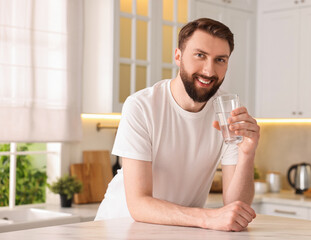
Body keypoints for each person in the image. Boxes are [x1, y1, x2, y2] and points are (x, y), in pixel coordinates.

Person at [95, 18, 260, 232]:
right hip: (121, 228)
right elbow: (138, 204)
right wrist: (207, 217)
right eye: (200, 55)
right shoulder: (142, 106)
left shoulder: (226, 111)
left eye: (220, 60)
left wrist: (247, 153)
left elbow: (236, 206)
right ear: (178, 56)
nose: (209, 71)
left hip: (180, 229)